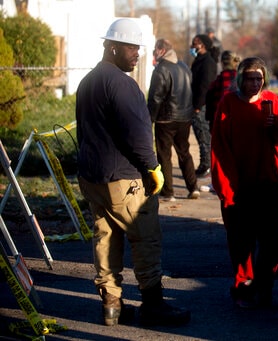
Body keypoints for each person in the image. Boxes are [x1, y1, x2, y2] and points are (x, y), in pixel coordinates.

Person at [75, 19, 191, 327]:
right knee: (146, 238)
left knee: (106, 237)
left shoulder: (88, 81)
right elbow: (138, 134)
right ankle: (153, 305)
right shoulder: (122, 85)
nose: (137, 54)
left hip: (93, 177)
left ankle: (111, 305)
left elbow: (85, 131)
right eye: (131, 48)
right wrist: (152, 168)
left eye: (138, 48)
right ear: (112, 47)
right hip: (123, 179)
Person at [210, 57, 278, 309]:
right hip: (239, 184)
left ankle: (265, 283)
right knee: (240, 240)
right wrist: (225, 188)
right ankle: (243, 286)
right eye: (250, 78)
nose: (255, 83)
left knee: (272, 238)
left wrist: (276, 124)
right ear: (240, 79)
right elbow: (219, 148)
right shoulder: (228, 104)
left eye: (259, 78)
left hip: (269, 182)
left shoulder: (273, 102)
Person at [148, 38, 200, 202]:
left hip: (166, 118)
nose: (154, 53)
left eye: (155, 49)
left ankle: (168, 191)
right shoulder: (184, 66)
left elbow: (155, 97)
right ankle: (193, 188)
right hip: (185, 117)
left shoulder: (161, 69)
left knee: (164, 155)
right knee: (184, 152)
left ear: (161, 50)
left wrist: (150, 118)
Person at [190, 34, 218, 178]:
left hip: (201, 105)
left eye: (195, 43)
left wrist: (198, 105)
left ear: (203, 45)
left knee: (204, 137)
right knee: (201, 136)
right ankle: (204, 163)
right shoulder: (199, 60)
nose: (192, 46)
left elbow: (204, 86)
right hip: (198, 104)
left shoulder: (207, 62)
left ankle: (206, 165)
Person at [205, 50, 241, 132]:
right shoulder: (241, 79)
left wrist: (209, 118)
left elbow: (209, 98)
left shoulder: (219, 79)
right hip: (237, 120)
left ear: (222, 63)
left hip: (219, 120)